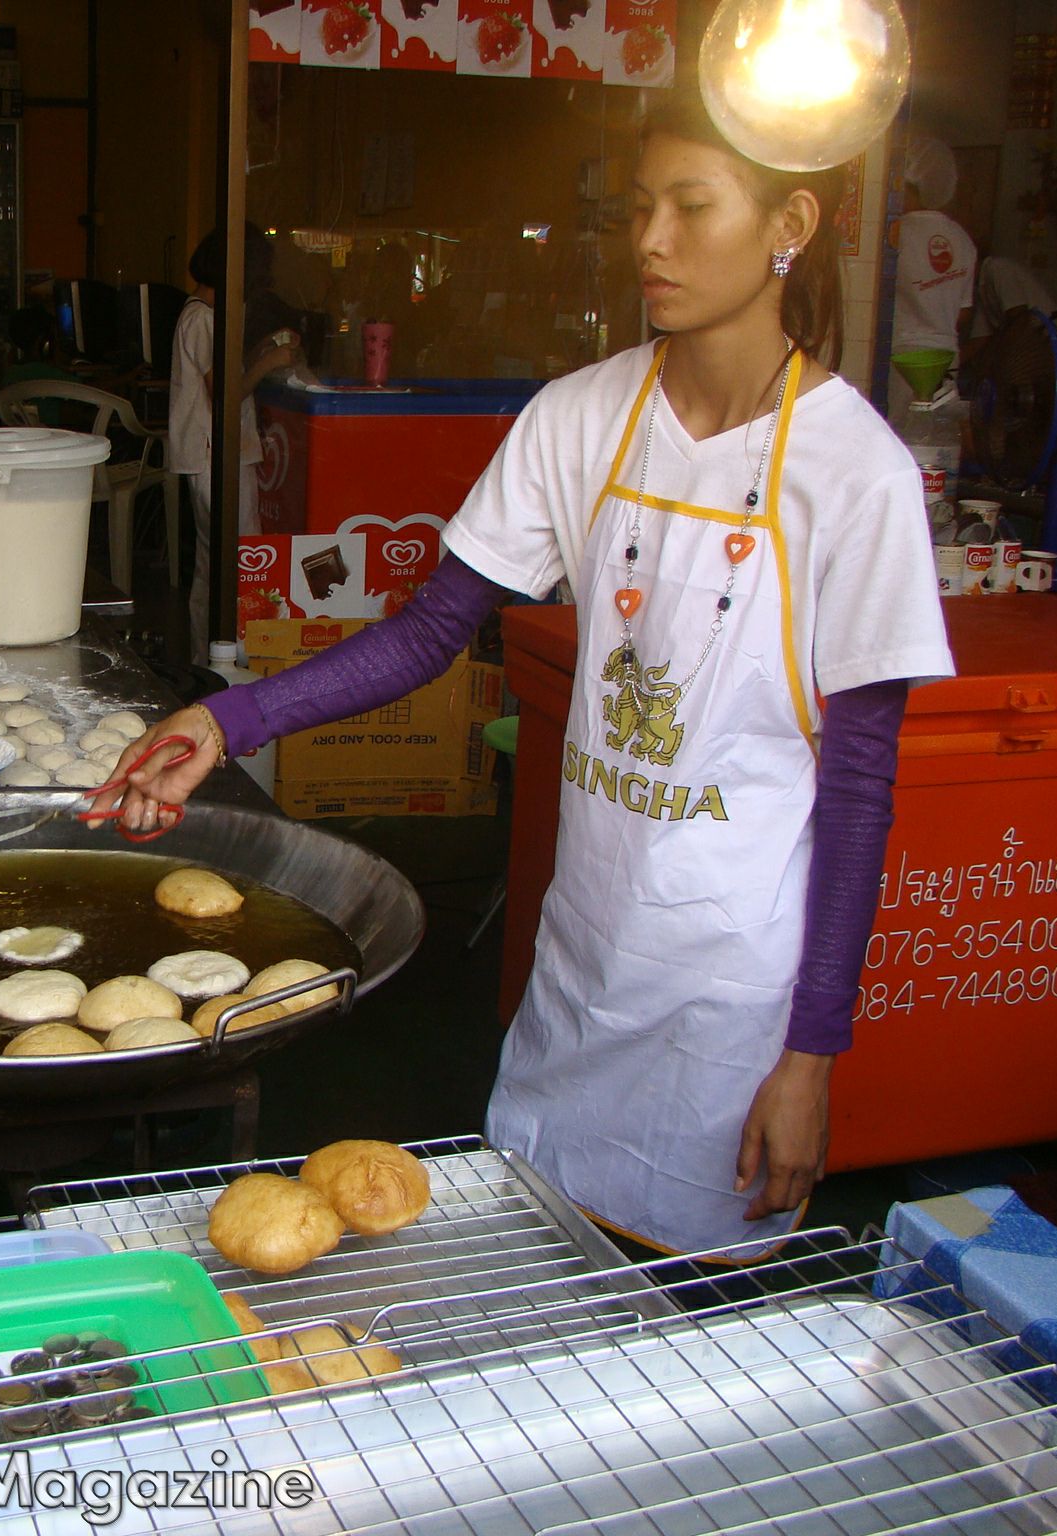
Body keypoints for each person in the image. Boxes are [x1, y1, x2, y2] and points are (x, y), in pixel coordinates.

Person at [105, 90, 953, 1259]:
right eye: (639, 206)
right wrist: (226, 715)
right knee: (538, 1261)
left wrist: (811, 1059)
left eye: (690, 207)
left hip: (731, 1005)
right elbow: (425, 633)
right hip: (583, 962)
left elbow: (858, 794)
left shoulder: (853, 473)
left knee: (683, 1317)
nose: (648, 240)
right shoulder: (581, 417)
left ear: (788, 222)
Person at [170, 224, 298, 663]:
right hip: (215, 455)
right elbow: (226, 395)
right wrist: (270, 362)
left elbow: (227, 376)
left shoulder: (201, 316)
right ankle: (236, 654)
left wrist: (262, 349)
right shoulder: (203, 320)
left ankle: (206, 656)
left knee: (214, 561)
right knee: (242, 557)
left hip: (209, 455)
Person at [889, 135, 976, 416]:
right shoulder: (963, 240)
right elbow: (964, 313)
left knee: (899, 436)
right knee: (937, 437)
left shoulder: (896, 234)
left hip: (903, 356)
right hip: (946, 356)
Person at [1, 304, 77, 425]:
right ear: (45, 343)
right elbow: (90, 391)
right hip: (54, 435)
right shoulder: (47, 373)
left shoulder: (12, 373)